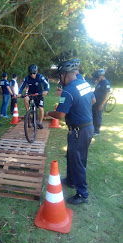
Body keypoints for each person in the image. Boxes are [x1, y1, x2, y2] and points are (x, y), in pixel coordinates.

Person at [44, 60, 96, 204]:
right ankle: (71, 180)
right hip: (87, 127)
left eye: (60, 75)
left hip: (78, 130)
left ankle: (82, 194)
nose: (60, 78)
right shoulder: (84, 84)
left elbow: (60, 114)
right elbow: (93, 100)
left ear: (64, 74)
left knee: (78, 160)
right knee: (73, 156)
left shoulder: (68, 91)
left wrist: (48, 112)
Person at [18, 64, 50, 129]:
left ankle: (40, 122)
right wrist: (19, 93)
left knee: (41, 109)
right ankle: (28, 113)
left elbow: (47, 84)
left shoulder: (40, 77)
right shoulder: (27, 77)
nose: (32, 75)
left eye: (34, 73)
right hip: (31, 94)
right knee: (26, 98)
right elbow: (22, 86)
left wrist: (46, 90)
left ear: (36, 72)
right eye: (31, 73)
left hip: (39, 94)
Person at [92, 69, 111, 136]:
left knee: (98, 116)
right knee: (93, 114)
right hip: (95, 102)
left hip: (100, 102)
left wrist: (102, 104)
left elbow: (107, 94)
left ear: (102, 76)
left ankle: (96, 131)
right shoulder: (99, 82)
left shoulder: (106, 83)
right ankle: (92, 129)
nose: (97, 79)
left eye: (98, 77)